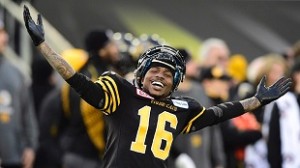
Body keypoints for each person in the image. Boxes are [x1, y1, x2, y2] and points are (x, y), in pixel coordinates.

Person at [23, 5, 292, 168]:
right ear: (141, 72)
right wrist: (43, 46)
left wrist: (256, 101)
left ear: (176, 82)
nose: (160, 76)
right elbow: (77, 80)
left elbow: (220, 112)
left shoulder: (183, 108)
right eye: (155, 70)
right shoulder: (121, 92)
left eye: (167, 73)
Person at [35, 27, 120, 168]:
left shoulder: (102, 74)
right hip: (83, 157)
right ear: (101, 50)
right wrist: (61, 158)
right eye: (111, 45)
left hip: (89, 156)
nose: (116, 49)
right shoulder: (91, 78)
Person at [171, 49, 226, 168]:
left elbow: (213, 127)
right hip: (174, 159)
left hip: (202, 160)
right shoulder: (168, 93)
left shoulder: (200, 90)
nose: (195, 65)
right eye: (190, 61)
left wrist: (218, 161)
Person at [0, 18, 38, 168]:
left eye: (3, 32)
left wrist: (30, 146)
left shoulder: (16, 73)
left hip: (14, 157)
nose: (4, 38)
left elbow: (27, 113)